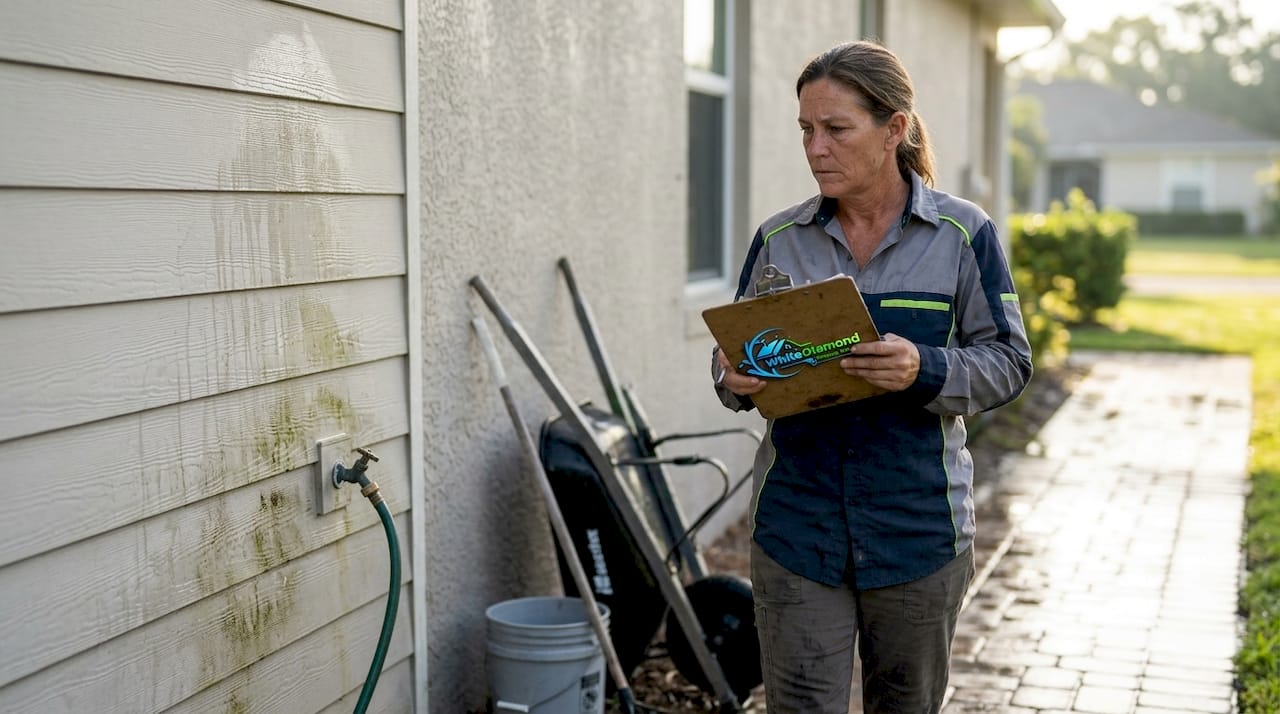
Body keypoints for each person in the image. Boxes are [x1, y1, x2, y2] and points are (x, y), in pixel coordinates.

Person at [712, 40, 1032, 713]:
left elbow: (1009, 361)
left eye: (835, 129)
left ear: (894, 130)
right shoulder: (779, 241)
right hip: (798, 528)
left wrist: (925, 367)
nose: (815, 148)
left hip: (918, 531)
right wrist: (733, 378)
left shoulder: (962, 235)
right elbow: (733, 360)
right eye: (806, 129)